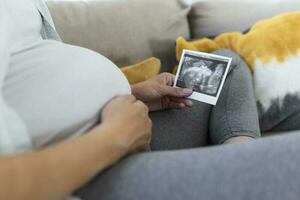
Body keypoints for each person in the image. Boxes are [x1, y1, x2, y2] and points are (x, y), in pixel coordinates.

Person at [1, 1, 300, 200]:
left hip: (125, 126)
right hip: (82, 168)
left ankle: (237, 159)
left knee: (223, 64)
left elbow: (37, 88)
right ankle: (239, 170)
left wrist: (132, 91)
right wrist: (115, 137)